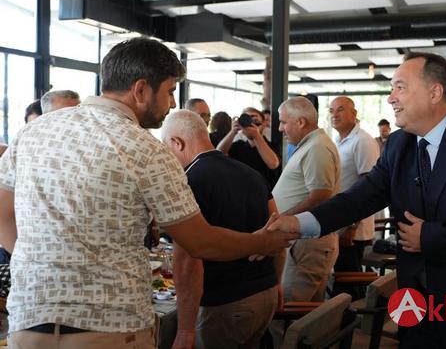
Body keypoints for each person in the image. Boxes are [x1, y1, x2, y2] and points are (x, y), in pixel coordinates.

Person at [0, 38, 295, 349]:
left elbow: (3, 213)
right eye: (169, 91)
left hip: (30, 323)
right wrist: (263, 242)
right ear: (141, 90)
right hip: (110, 329)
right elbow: (199, 241)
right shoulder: (146, 149)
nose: (172, 103)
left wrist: (42, 263)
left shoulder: (32, 132)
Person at [269, 52, 446, 348]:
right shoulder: (399, 144)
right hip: (420, 305)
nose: (391, 98)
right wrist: (298, 223)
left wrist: (429, 237)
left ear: (435, 92)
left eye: (399, 87)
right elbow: (358, 199)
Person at [162, 110, 280, 349]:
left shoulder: (189, 181)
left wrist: (185, 330)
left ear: (177, 143)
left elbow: (187, 259)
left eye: (166, 148)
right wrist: (277, 283)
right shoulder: (252, 174)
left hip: (226, 302)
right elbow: (277, 229)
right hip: (264, 293)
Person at [273, 96, 340, 302]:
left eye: (283, 122)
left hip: (307, 244)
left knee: (289, 308)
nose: (280, 128)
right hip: (305, 242)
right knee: (308, 312)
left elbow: (320, 195)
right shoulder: (310, 144)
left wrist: (282, 219)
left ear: (301, 122)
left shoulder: (317, 147)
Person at [329, 96, 379, 298]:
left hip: (353, 229)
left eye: (340, 109)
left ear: (354, 114)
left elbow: (368, 187)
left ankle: (353, 318)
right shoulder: (338, 141)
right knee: (342, 280)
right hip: (340, 222)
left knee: (348, 287)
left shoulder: (362, 141)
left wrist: (351, 227)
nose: (335, 114)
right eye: (331, 110)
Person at [217, 107, 280, 188]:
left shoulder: (272, 146)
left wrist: (256, 135)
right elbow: (218, 154)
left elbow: (273, 164)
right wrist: (233, 131)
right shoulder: (238, 146)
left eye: (255, 120)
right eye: (247, 119)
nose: (250, 124)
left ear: (264, 123)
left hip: (265, 191)